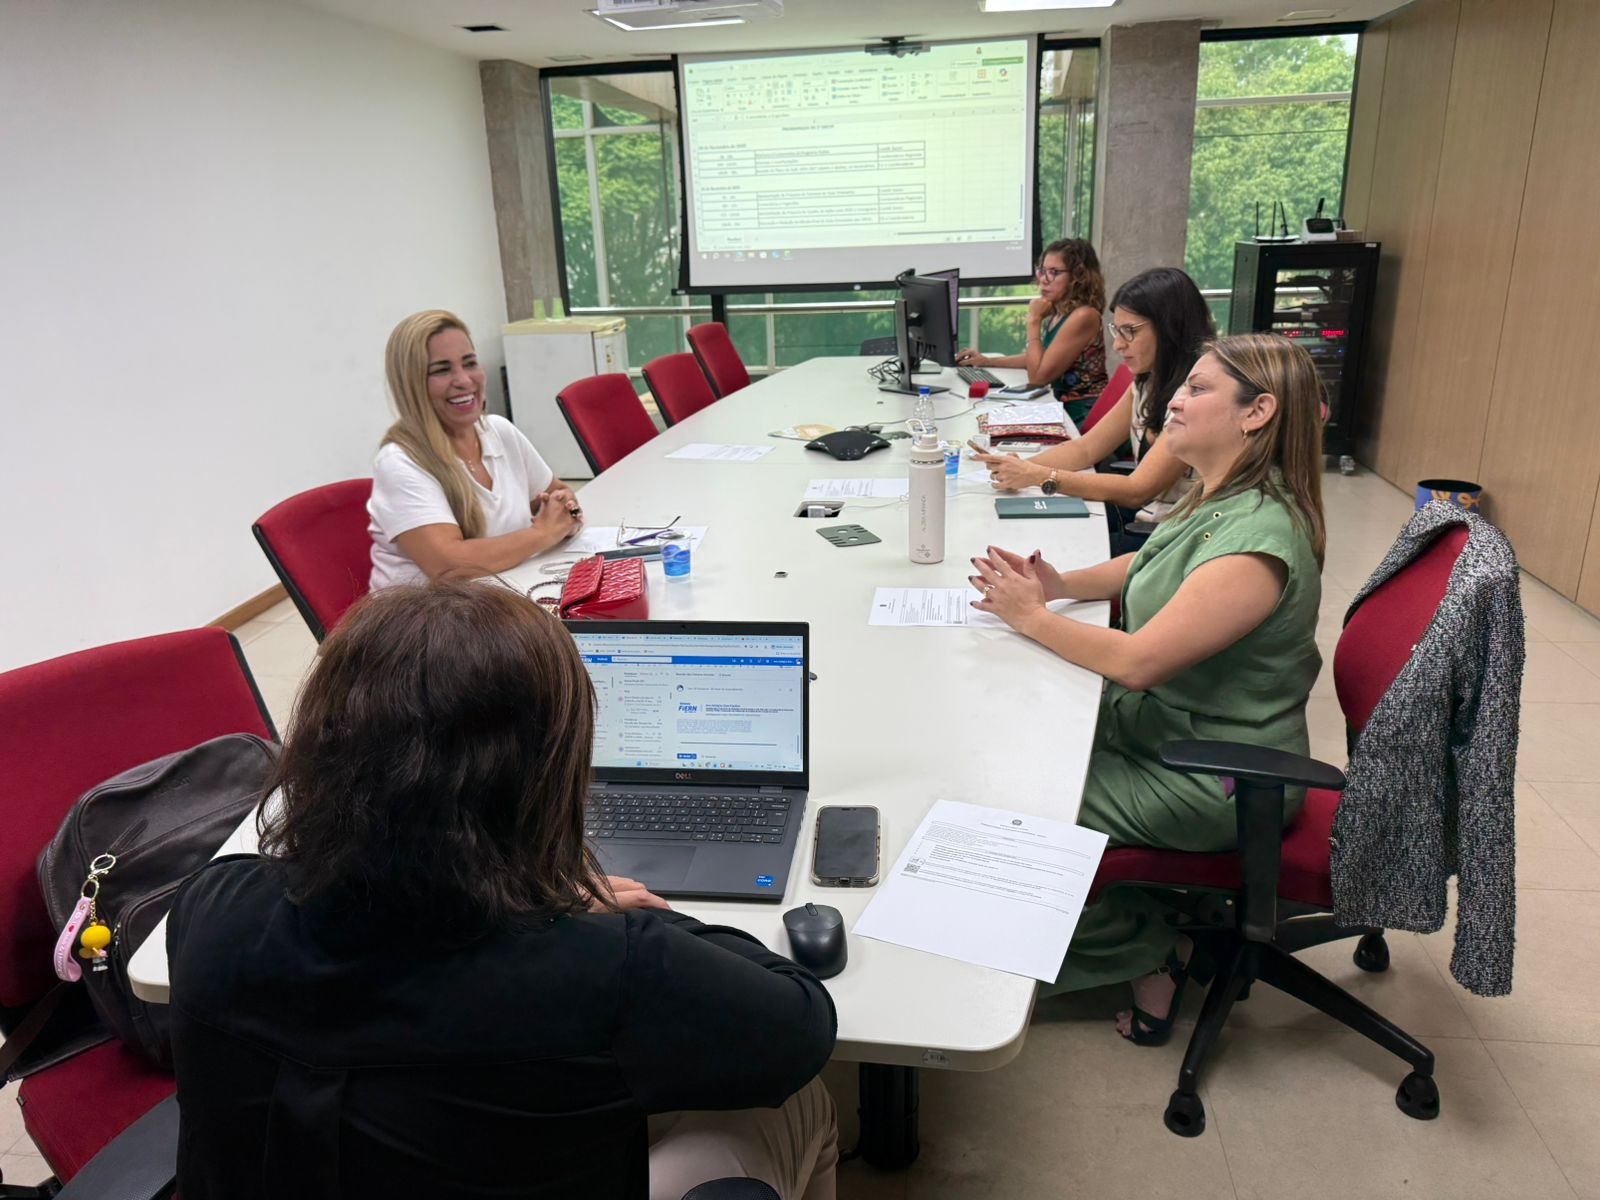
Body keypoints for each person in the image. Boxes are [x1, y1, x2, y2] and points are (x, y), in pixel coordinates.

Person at [166, 582, 840, 1200]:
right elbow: (801, 1027)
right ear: (546, 775)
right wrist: (581, 906)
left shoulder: (211, 906)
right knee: (797, 1102)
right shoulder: (603, 967)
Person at [967, 332, 1325, 1044]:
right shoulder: (1219, 496)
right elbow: (1142, 570)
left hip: (1215, 775)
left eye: (1197, 389)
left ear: (1255, 414)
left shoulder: (1257, 543)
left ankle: (1142, 945)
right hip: (1171, 729)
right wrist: (1060, 585)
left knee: (1016, 795)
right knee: (1005, 734)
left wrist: (1034, 618)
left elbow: (1138, 663)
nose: (1176, 400)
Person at [975, 267, 1215, 554]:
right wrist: (1023, 467)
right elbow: (1087, 449)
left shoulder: (1194, 398)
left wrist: (1037, 476)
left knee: (1052, 551)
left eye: (1130, 331)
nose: (1117, 344)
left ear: (1169, 328)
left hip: (1173, 540)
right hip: (1148, 519)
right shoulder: (1149, 380)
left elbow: (1139, 489)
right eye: (1117, 330)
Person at [368, 309, 583, 588]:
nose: (464, 380)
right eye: (442, 370)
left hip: (500, 597)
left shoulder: (499, 431)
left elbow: (555, 493)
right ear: (411, 385)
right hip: (428, 621)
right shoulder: (399, 462)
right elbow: (450, 566)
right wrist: (543, 533)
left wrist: (565, 510)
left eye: (469, 363)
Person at [954, 238, 1109, 425]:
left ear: (1078, 277)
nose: (1043, 279)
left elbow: (1038, 377)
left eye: (1054, 273)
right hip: (1061, 406)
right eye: (1042, 271)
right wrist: (987, 361)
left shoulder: (1083, 316)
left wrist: (1033, 321)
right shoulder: (1059, 310)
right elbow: (1040, 358)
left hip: (1083, 414)